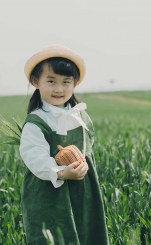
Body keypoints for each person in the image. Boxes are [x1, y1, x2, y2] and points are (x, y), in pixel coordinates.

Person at [19, 44, 109, 245]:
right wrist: (60, 172)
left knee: (86, 233)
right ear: (36, 81)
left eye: (66, 82)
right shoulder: (37, 121)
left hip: (83, 188)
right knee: (54, 236)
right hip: (49, 191)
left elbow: (88, 148)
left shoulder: (80, 115)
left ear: (74, 83)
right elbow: (34, 157)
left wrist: (82, 166)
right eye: (51, 81)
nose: (59, 89)